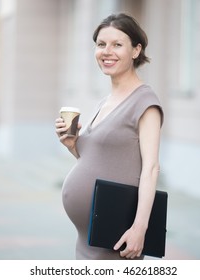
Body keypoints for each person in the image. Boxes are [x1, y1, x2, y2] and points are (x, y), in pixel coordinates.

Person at [55, 13, 164, 260]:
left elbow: (151, 168)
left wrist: (139, 229)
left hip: (116, 238)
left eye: (117, 45)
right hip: (88, 239)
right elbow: (101, 160)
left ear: (136, 50)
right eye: (101, 44)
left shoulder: (145, 102)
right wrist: (72, 145)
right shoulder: (106, 101)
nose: (107, 51)